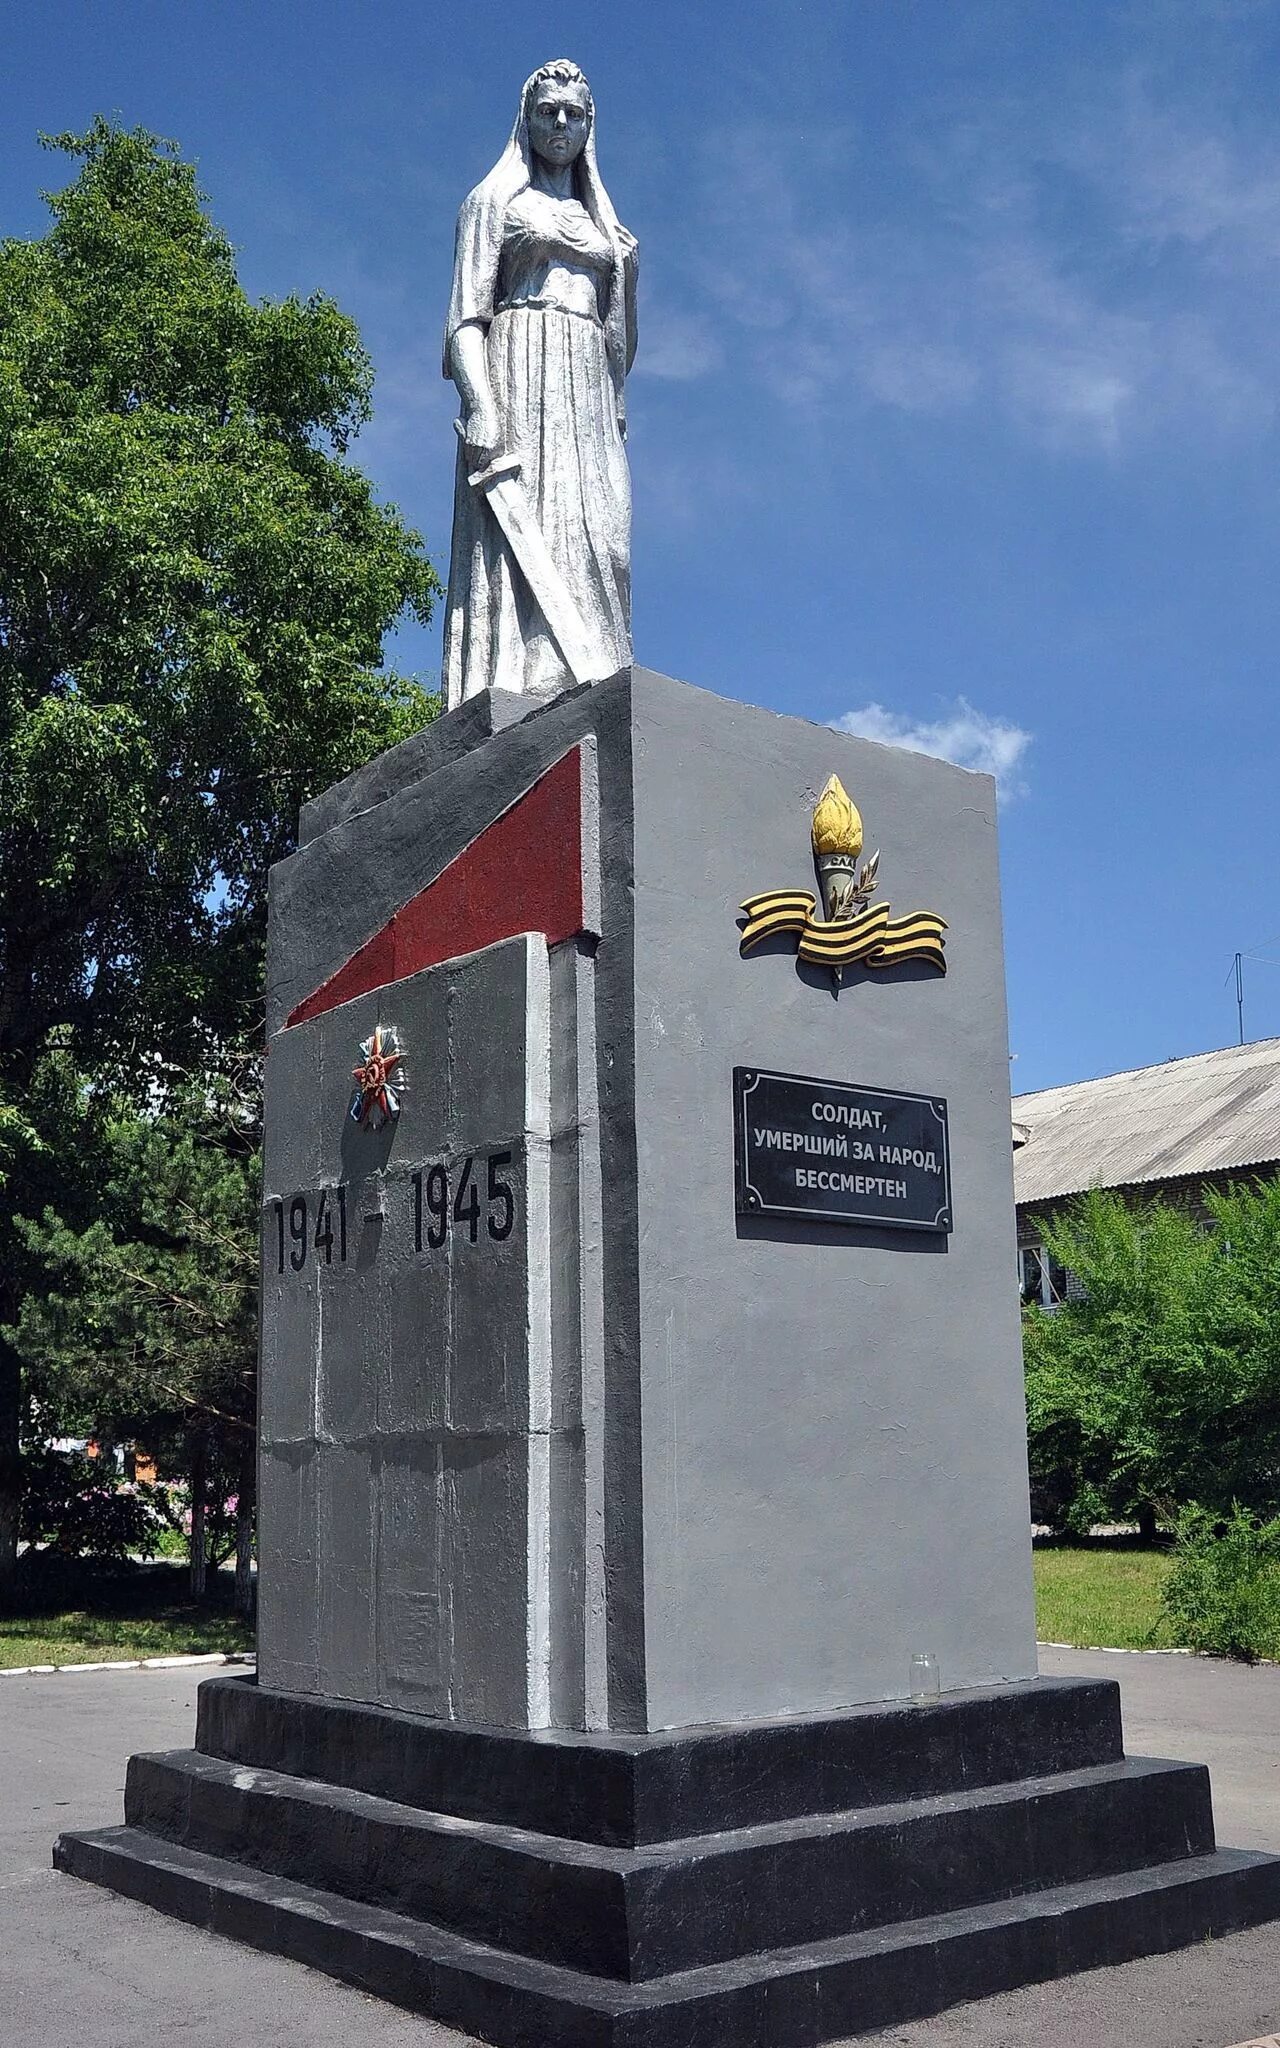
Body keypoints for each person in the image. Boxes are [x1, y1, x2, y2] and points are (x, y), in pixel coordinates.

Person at [442, 59, 638, 705]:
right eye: (548, 110)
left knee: (602, 536)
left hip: (587, 378)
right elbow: (465, 321)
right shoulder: (494, 201)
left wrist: (627, 280)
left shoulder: (604, 224)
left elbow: (620, 353)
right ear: (526, 119)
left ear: (589, 125)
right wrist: (481, 405)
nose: (560, 122)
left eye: (573, 113)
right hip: (521, 359)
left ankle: (598, 665)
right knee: (532, 520)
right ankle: (532, 672)